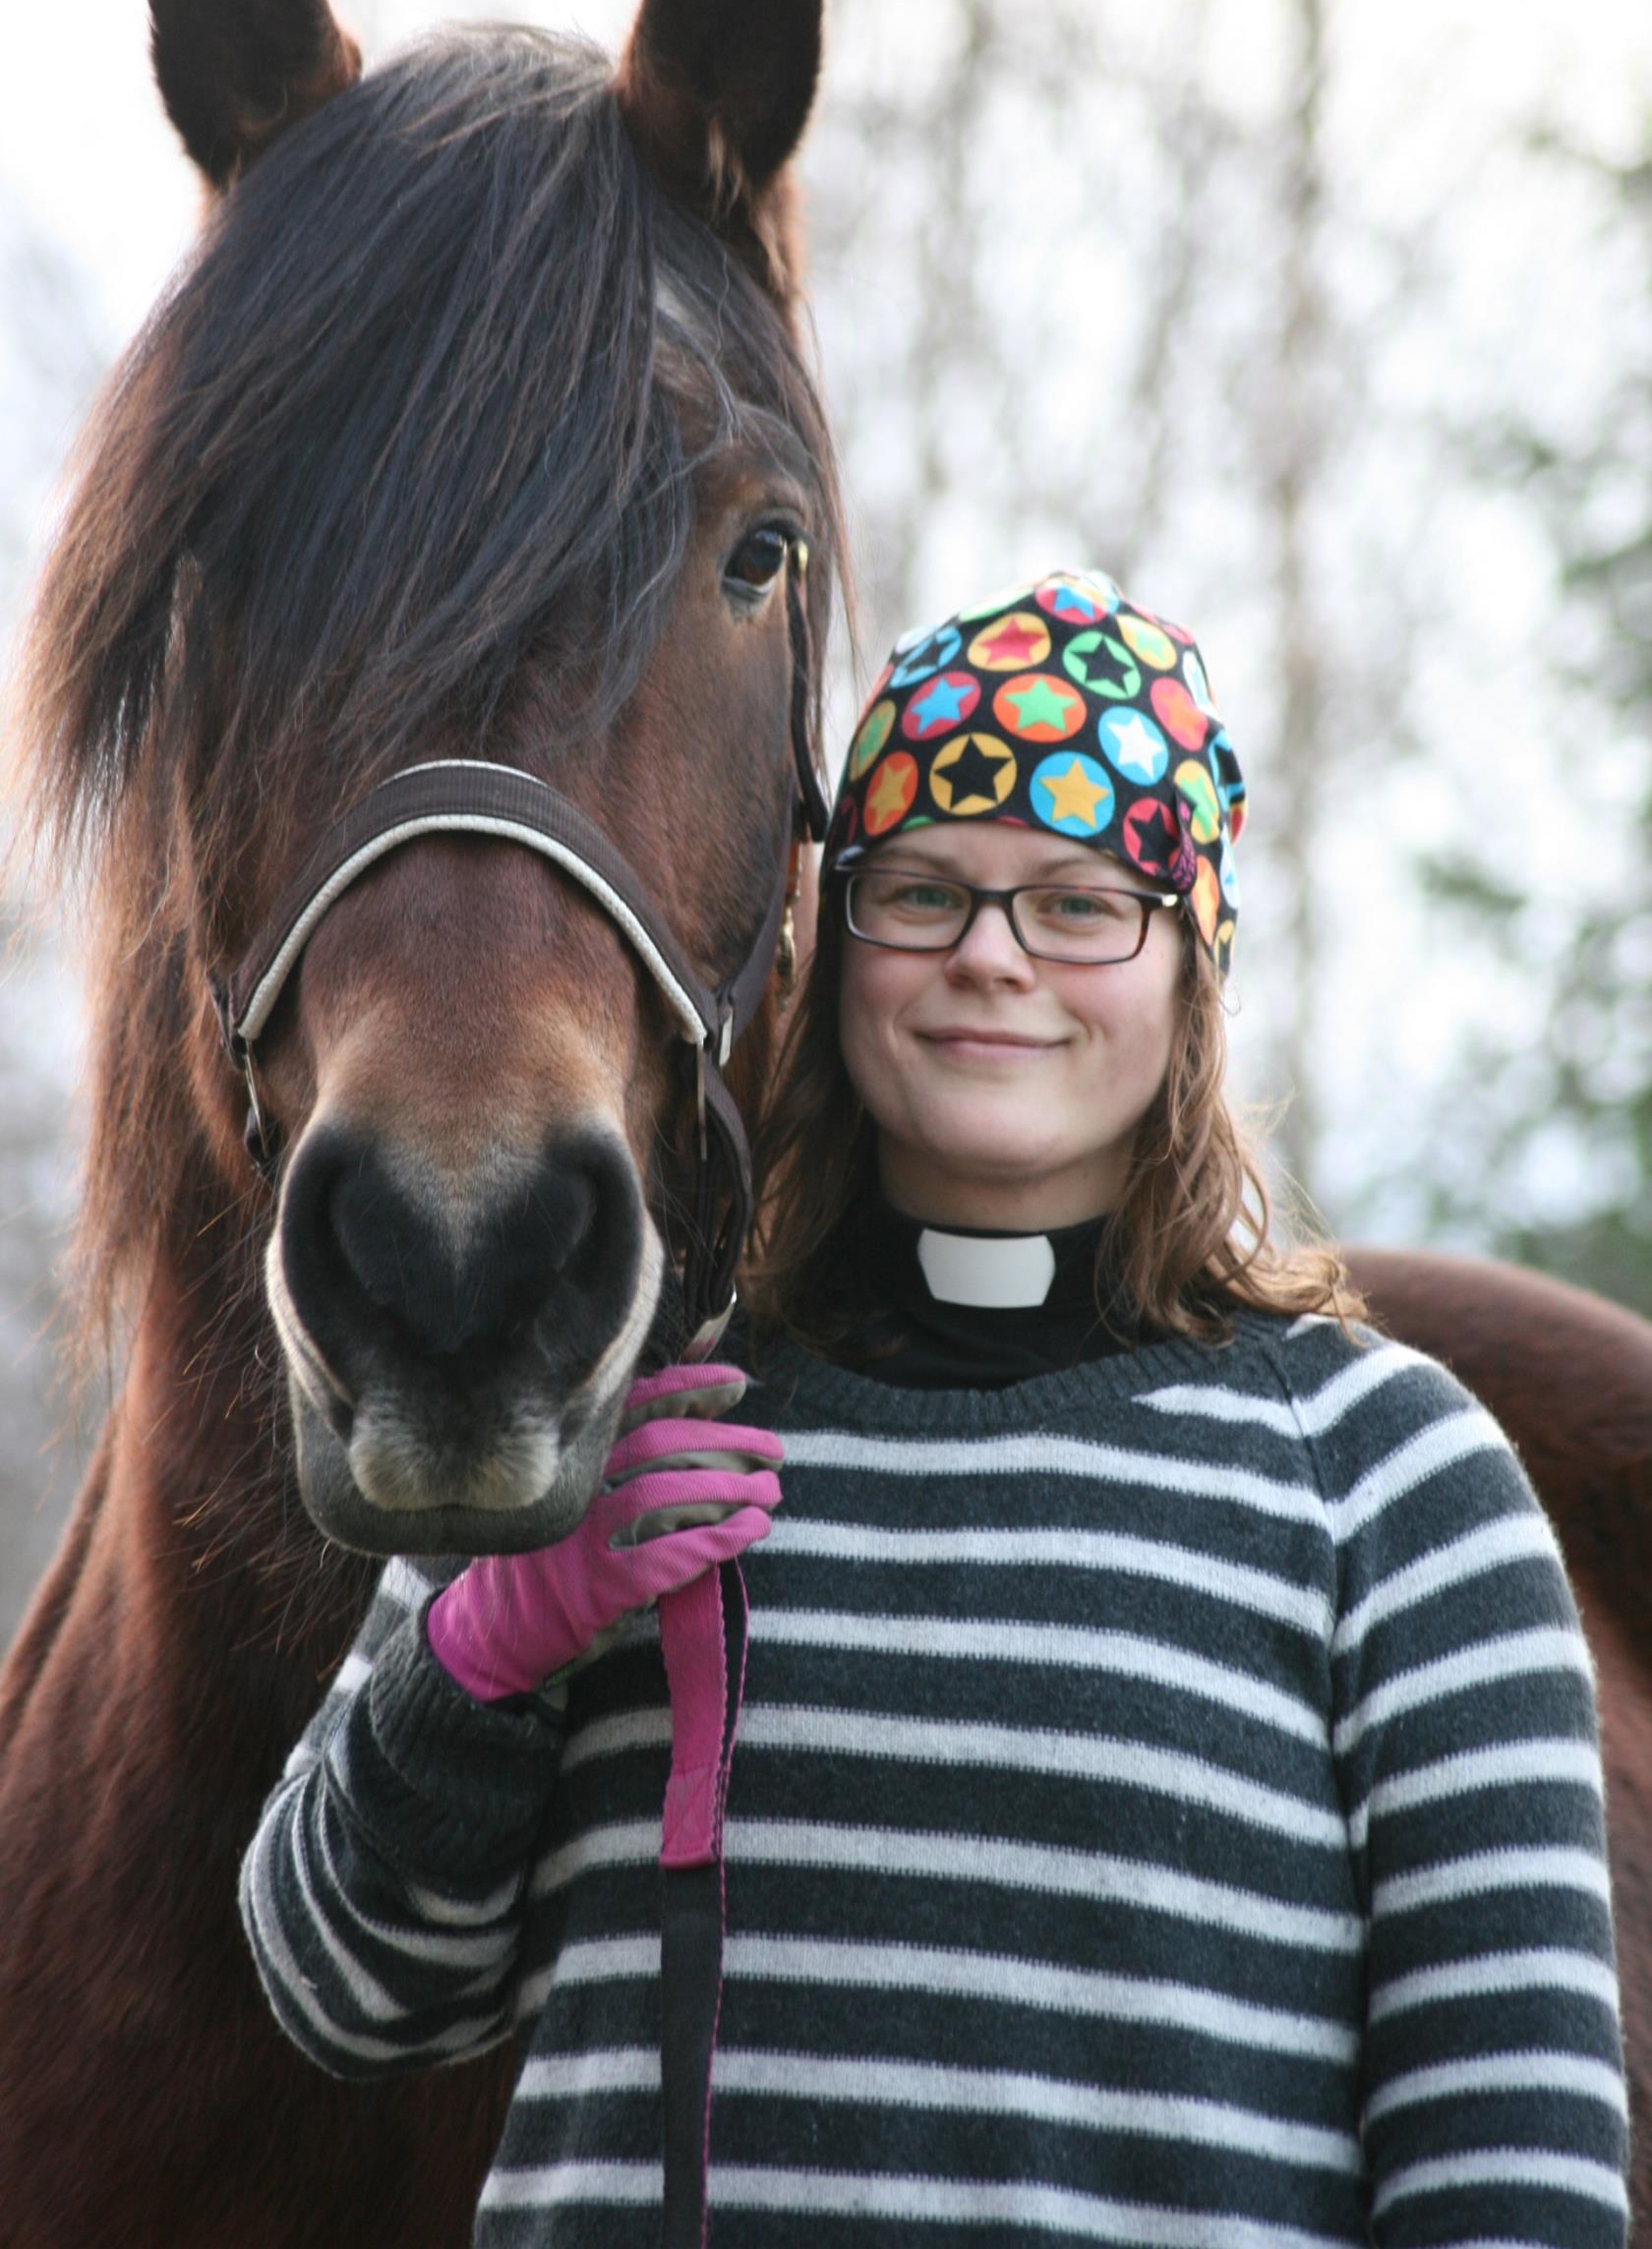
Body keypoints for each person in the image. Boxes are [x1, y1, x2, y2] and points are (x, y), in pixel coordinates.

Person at [240, 569, 1627, 2247]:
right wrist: (484, 1651)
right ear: (836, 951)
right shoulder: (608, 1403)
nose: (990, 958)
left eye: (1076, 904)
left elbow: (1516, 2178)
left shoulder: (1396, 1488)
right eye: (921, 894)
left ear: (1189, 973)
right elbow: (338, 1995)